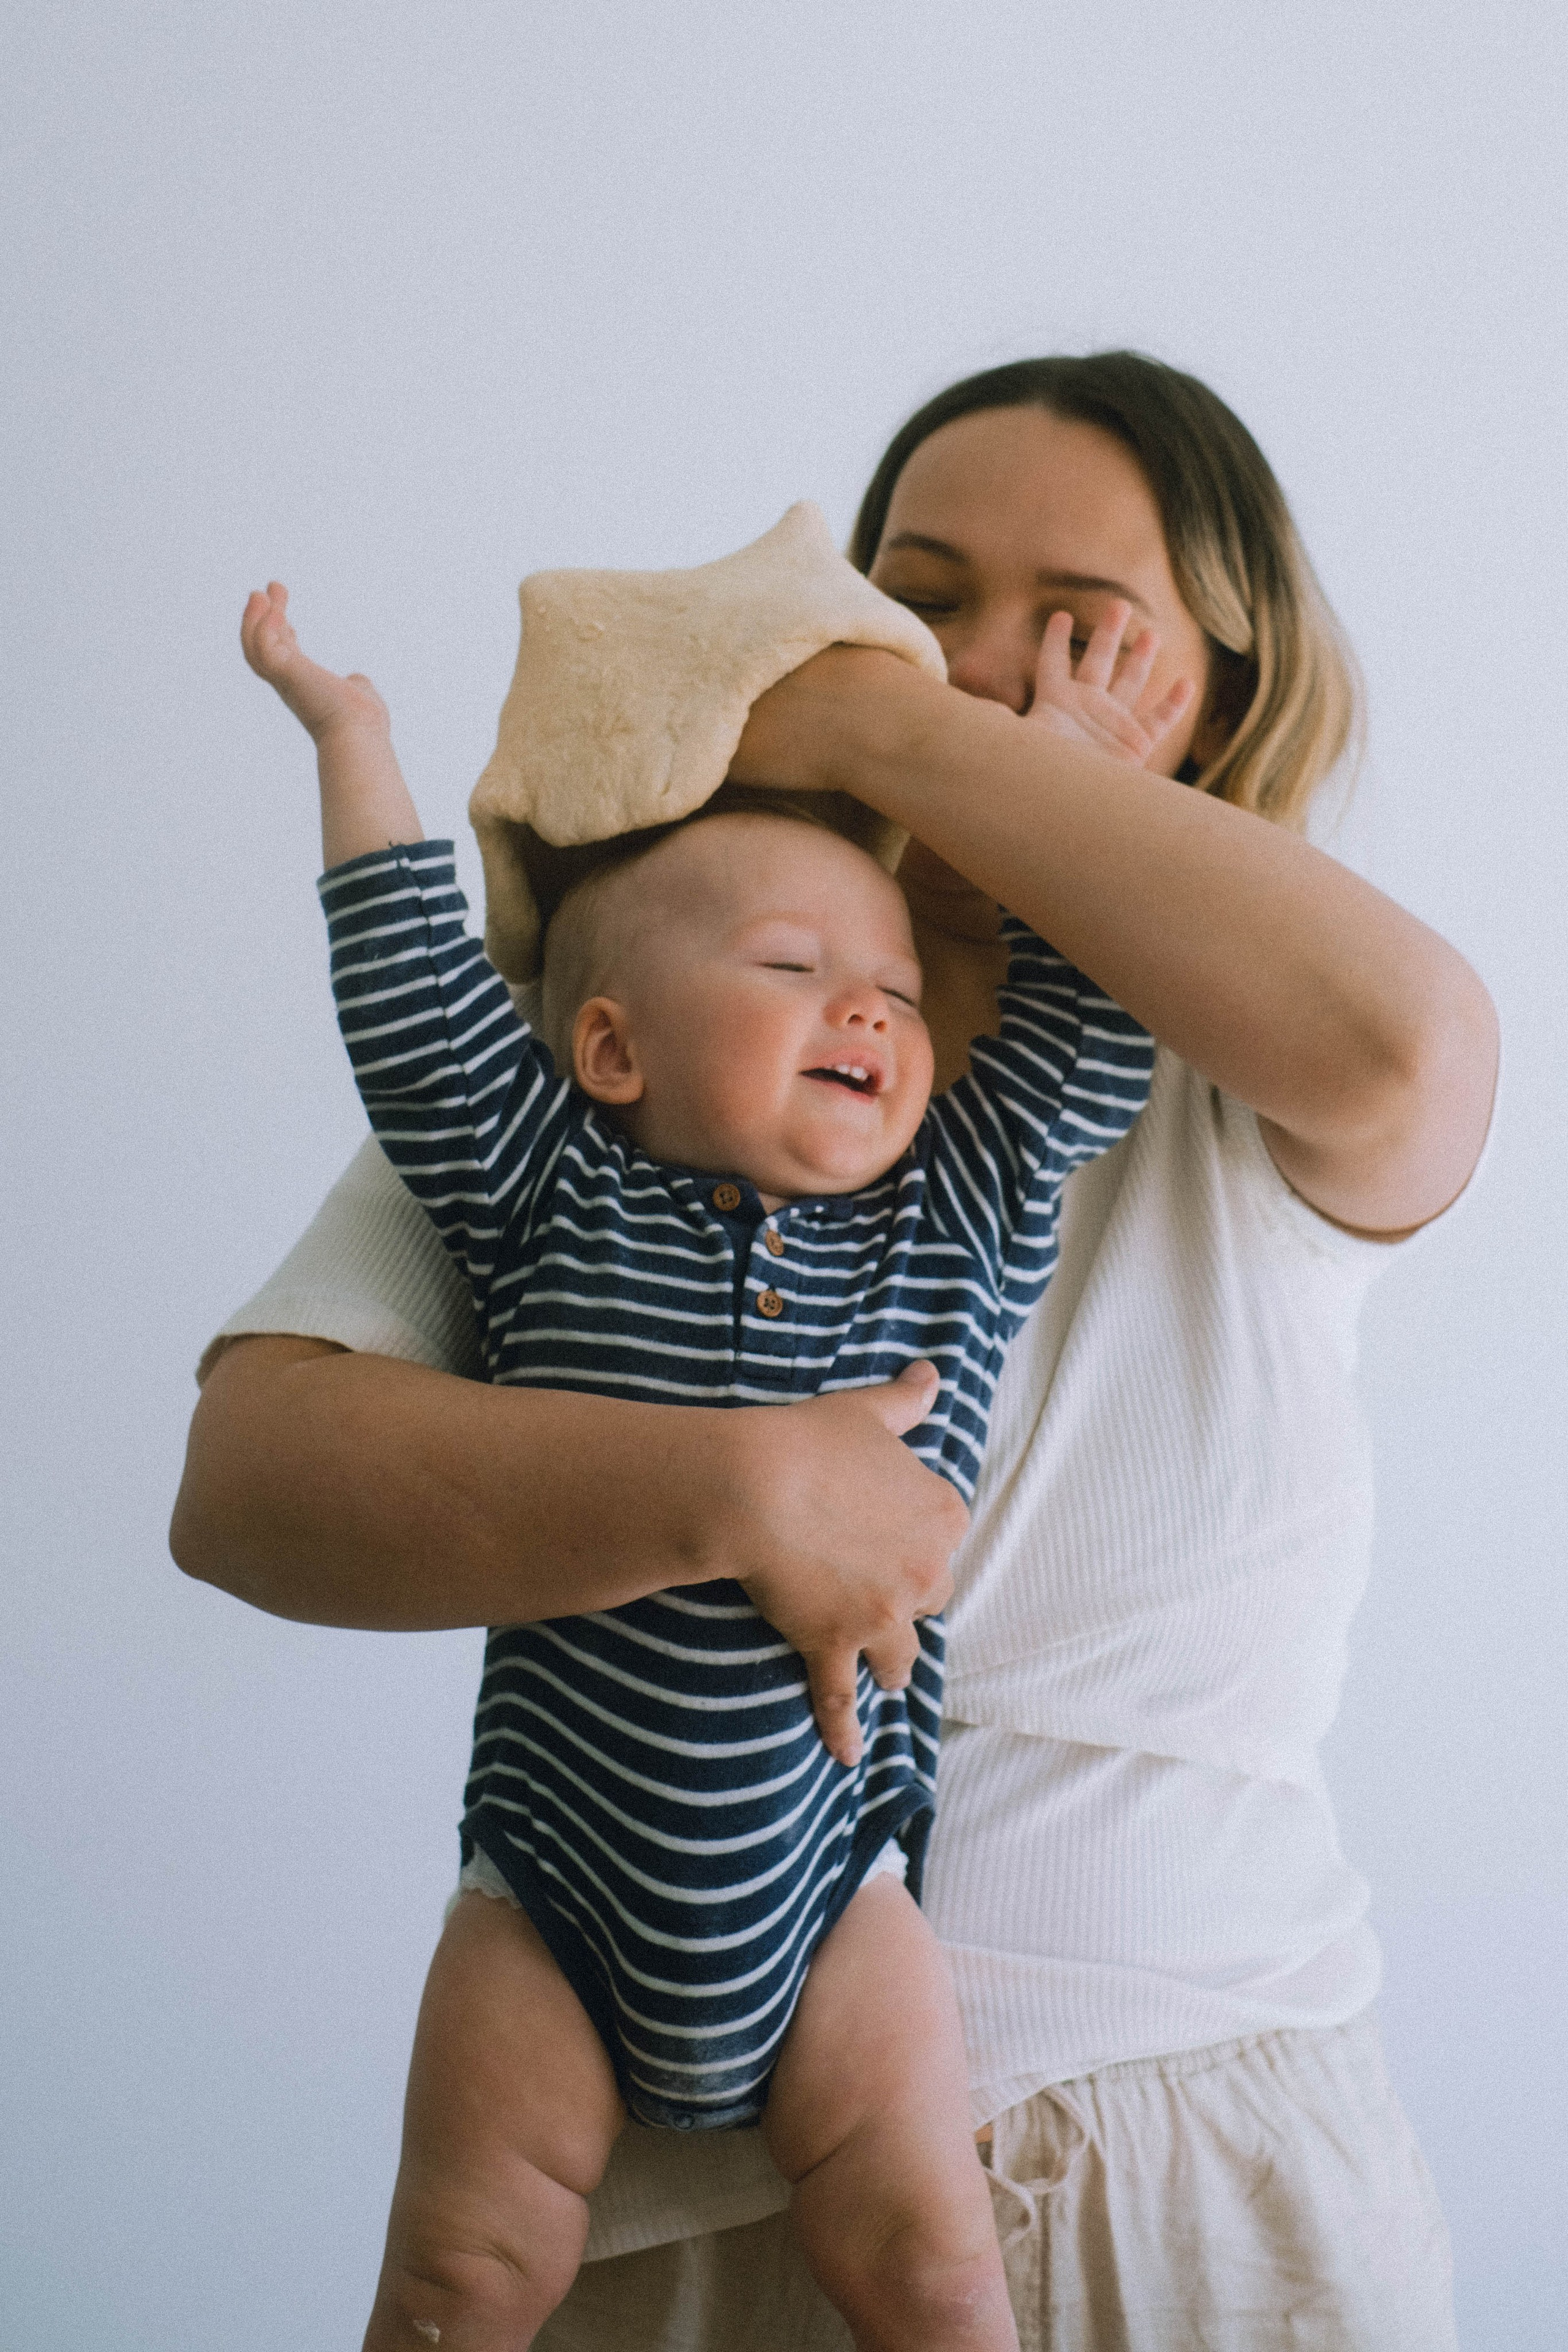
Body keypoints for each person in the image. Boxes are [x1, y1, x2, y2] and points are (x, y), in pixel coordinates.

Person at [175, 353, 1498, 2350]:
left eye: (1079, 630)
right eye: (919, 596)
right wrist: (741, 1493)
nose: (976, 664)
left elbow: (1413, 1053)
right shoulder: (638, 1031)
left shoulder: (1238, 1080)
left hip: (1193, 2178)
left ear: (1223, 695)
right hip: (668, 2206)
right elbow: (251, 1491)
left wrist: (883, 720)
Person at [239, 565, 1156, 2348]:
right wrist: (353, 741)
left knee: (937, 2274)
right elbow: (416, 1010)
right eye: (798, 970)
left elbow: (1077, 1053)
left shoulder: (949, 1212)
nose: (875, 1011)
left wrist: (1073, 786)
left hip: (835, 1898)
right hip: (550, 1895)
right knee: (458, 2279)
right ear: (610, 1045)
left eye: (893, 986)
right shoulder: (552, 1194)